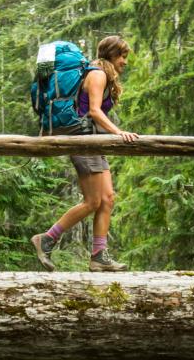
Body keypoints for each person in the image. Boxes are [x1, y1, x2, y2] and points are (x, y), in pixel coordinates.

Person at [32, 35, 139, 272]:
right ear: (111, 54)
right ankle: (47, 238)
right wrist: (119, 133)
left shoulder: (100, 74)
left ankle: (99, 256)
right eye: (122, 56)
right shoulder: (98, 74)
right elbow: (93, 111)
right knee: (92, 201)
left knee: (108, 198)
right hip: (84, 140)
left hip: (94, 141)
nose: (125, 62)